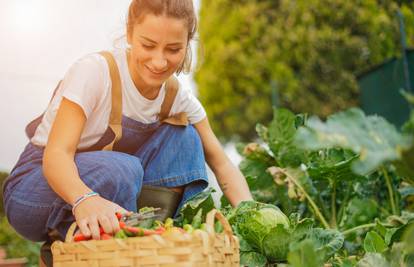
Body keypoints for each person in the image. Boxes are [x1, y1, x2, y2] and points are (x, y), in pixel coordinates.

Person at [2, 0, 252, 243]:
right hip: (34, 190)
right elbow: (56, 155)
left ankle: (151, 240)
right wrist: (84, 199)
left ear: (188, 44)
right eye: (148, 45)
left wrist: (252, 218)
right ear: (130, 33)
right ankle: (67, 241)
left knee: (185, 138)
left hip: (112, 183)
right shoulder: (95, 72)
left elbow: (223, 165)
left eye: (173, 49)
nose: (159, 61)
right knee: (123, 169)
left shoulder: (177, 97)